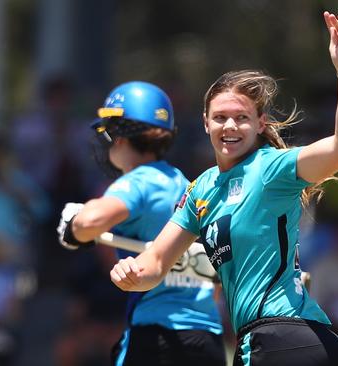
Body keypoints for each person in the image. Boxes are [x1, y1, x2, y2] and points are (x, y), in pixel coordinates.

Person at [109, 11, 338, 366]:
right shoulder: (201, 189)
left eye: (242, 117)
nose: (230, 126)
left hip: (285, 339)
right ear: (205, 122)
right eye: (220, 117)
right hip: (276, 341)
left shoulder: (271, 168)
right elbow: (155, 263)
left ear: (260, 123)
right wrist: (130, 274)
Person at [56, 81, 225, 366]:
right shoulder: (185, 183)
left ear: (118, 137)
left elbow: (92, 221)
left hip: (158, 337)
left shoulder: (138, 181)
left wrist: (75, 224)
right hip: (207, 337)